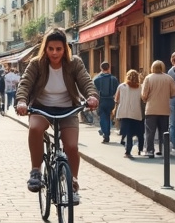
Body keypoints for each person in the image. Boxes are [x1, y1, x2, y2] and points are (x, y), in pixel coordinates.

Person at [15, 28, 98, 205]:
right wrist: (22, 101)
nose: (54, 53)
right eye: (51, 49)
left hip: (67, 110)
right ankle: (36, 171)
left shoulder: (74, 63)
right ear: (45, 48)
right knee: (35, 128)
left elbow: (85, 81)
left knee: (72, 146)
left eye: (58, 49)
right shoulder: (37, 64)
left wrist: (91, 96)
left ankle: (73, 184)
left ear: (65, 49)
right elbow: (25, 84)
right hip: (41, 109)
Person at [141, 60, 175, 158]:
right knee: (164, 131)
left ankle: (150, 151)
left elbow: (144, 94)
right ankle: (164, 150)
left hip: (151, 109)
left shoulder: (148, 78)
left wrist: (145, 100)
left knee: (150, 132)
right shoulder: (168, 78)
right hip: (164, 109)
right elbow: (174, 93)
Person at [115, 70, 144, 158]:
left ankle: (128, 151)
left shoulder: (121, 86)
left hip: (124, 112)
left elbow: (116, 99)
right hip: (136, 112)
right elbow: (143, 99)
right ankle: (139, 149)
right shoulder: (140, 87)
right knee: (137, 132)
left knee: (128, 133)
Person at [93, 62, 119, 143]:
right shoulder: (114, 79)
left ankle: (106, 133)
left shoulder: (96, 79)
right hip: (111, 100)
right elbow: (117, 90)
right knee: (108, 116)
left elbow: (93, 90)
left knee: (103, 117)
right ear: (109, 68)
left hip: (101, 100)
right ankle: (106, 132)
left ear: (101, 68)